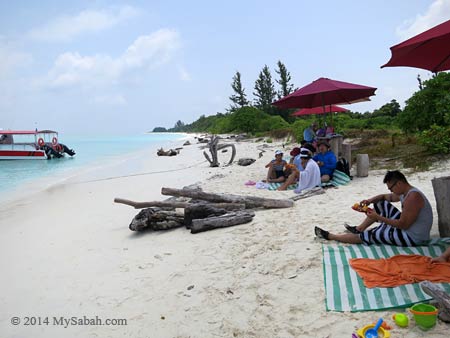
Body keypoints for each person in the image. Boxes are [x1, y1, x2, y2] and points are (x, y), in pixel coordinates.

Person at [315, 170, 433, 247]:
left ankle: (331, 236)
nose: (391, 191)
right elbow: (383, 197)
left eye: (391, 188)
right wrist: (369, 201)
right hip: (410, 228)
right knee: (381, 203)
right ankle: (359, 228)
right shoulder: (405, 192)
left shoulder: (412, 198)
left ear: (399, 184)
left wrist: (378, 217)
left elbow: (403, 225)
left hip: (413, 238)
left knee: (370, 235)